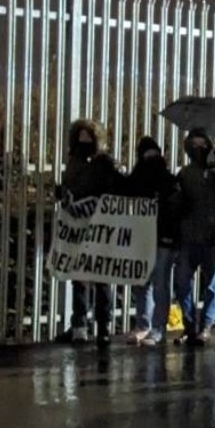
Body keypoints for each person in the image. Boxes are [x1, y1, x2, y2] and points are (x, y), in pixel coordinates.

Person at [56, 119, 121, 346]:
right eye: (80, 138)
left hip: (100, 228)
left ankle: (103, 326)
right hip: (78, 229)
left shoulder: (102, 164)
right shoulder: (74, 163)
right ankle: (80, 325)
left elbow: (113, 189)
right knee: (80, 278)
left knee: (102, 278)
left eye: (88, 138)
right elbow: (70, 189)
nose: (84, 142)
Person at [173, 128, 215, 348]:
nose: (197, 148)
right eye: (193, 144)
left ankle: (206, 325)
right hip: (190, 234)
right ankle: (190, 326)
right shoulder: (185, 173)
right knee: (182, 282)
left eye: (202, 144)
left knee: (213, 284)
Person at [123, 136, 179, 347]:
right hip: (144, 237)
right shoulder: (138, 180)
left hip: (162, 238)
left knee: (159, 283)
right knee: (143, 282)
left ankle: (156, 328)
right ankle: (145, 325)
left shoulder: (168, 182)